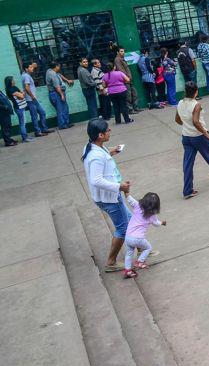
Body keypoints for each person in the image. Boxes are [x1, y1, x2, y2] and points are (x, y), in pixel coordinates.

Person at [81, 118, 131, 272]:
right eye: (107, 130)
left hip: (110, 196)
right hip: (108, 198)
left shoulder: (93, 146)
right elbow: (96, 180)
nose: (110, 131)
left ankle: (142, 250)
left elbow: (101, 156)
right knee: (123, 228)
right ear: (100, 135)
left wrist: (112, 151)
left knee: (131, 220)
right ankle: (111, 261)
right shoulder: (96, 156)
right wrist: (119, 186)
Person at [122, 192, 166, 279]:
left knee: (129, 253)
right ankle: (139, 262)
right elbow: (156, 224)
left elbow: (130, 200)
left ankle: (128, 270)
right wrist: (162, 223)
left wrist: (126, 192)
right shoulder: (152, 215)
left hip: (128, 236)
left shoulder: (138, 205)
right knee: (148, 248)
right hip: (138, 238)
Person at [21, 62, 53, 137]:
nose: (32, 68)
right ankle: (37, 132)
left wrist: (33, 65)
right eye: (30, 67)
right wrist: (32, 96)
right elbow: (27, 87)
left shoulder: (25, 75)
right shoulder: (26, 76)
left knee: (42, 113)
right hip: (30, 100)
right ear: (26, 69)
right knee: (34, 116)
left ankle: (44, 129)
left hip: (33, 100)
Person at [45, 61, 73, 129]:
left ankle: (66, 123)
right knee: (61, 110)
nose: (59, 67)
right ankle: (63, 125)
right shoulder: (53, 74)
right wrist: (61, 95)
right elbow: (57, 87)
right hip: (56, 94)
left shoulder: (49, 71)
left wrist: (67, 80)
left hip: (54, 94)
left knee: (63, 108)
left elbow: (59, 75)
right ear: (56, 66)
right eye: (59, 66)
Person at [4, 76, 32, 142]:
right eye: (12, 80)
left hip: (22, 107)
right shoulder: (10, 89)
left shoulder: (14, 87)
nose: (14, 81)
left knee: (23, 122)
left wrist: (21, 94)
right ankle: (24, 138)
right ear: (10, 82)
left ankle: (25, 136)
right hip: (19, 108)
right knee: (22, 123)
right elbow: (22, 95)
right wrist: (21, 94)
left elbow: (22, 94)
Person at [114, 44, 140, 114]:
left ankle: (136, 108)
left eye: (123, 51)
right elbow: (121, 70)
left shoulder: (122, 59)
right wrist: (127, 77)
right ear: (117, 52)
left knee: (134, 94)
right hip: (125, 80)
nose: (123, 53)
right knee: (128, 96)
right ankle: (130, 110)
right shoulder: (117, 60)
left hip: (129, 80)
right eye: (121, 51)